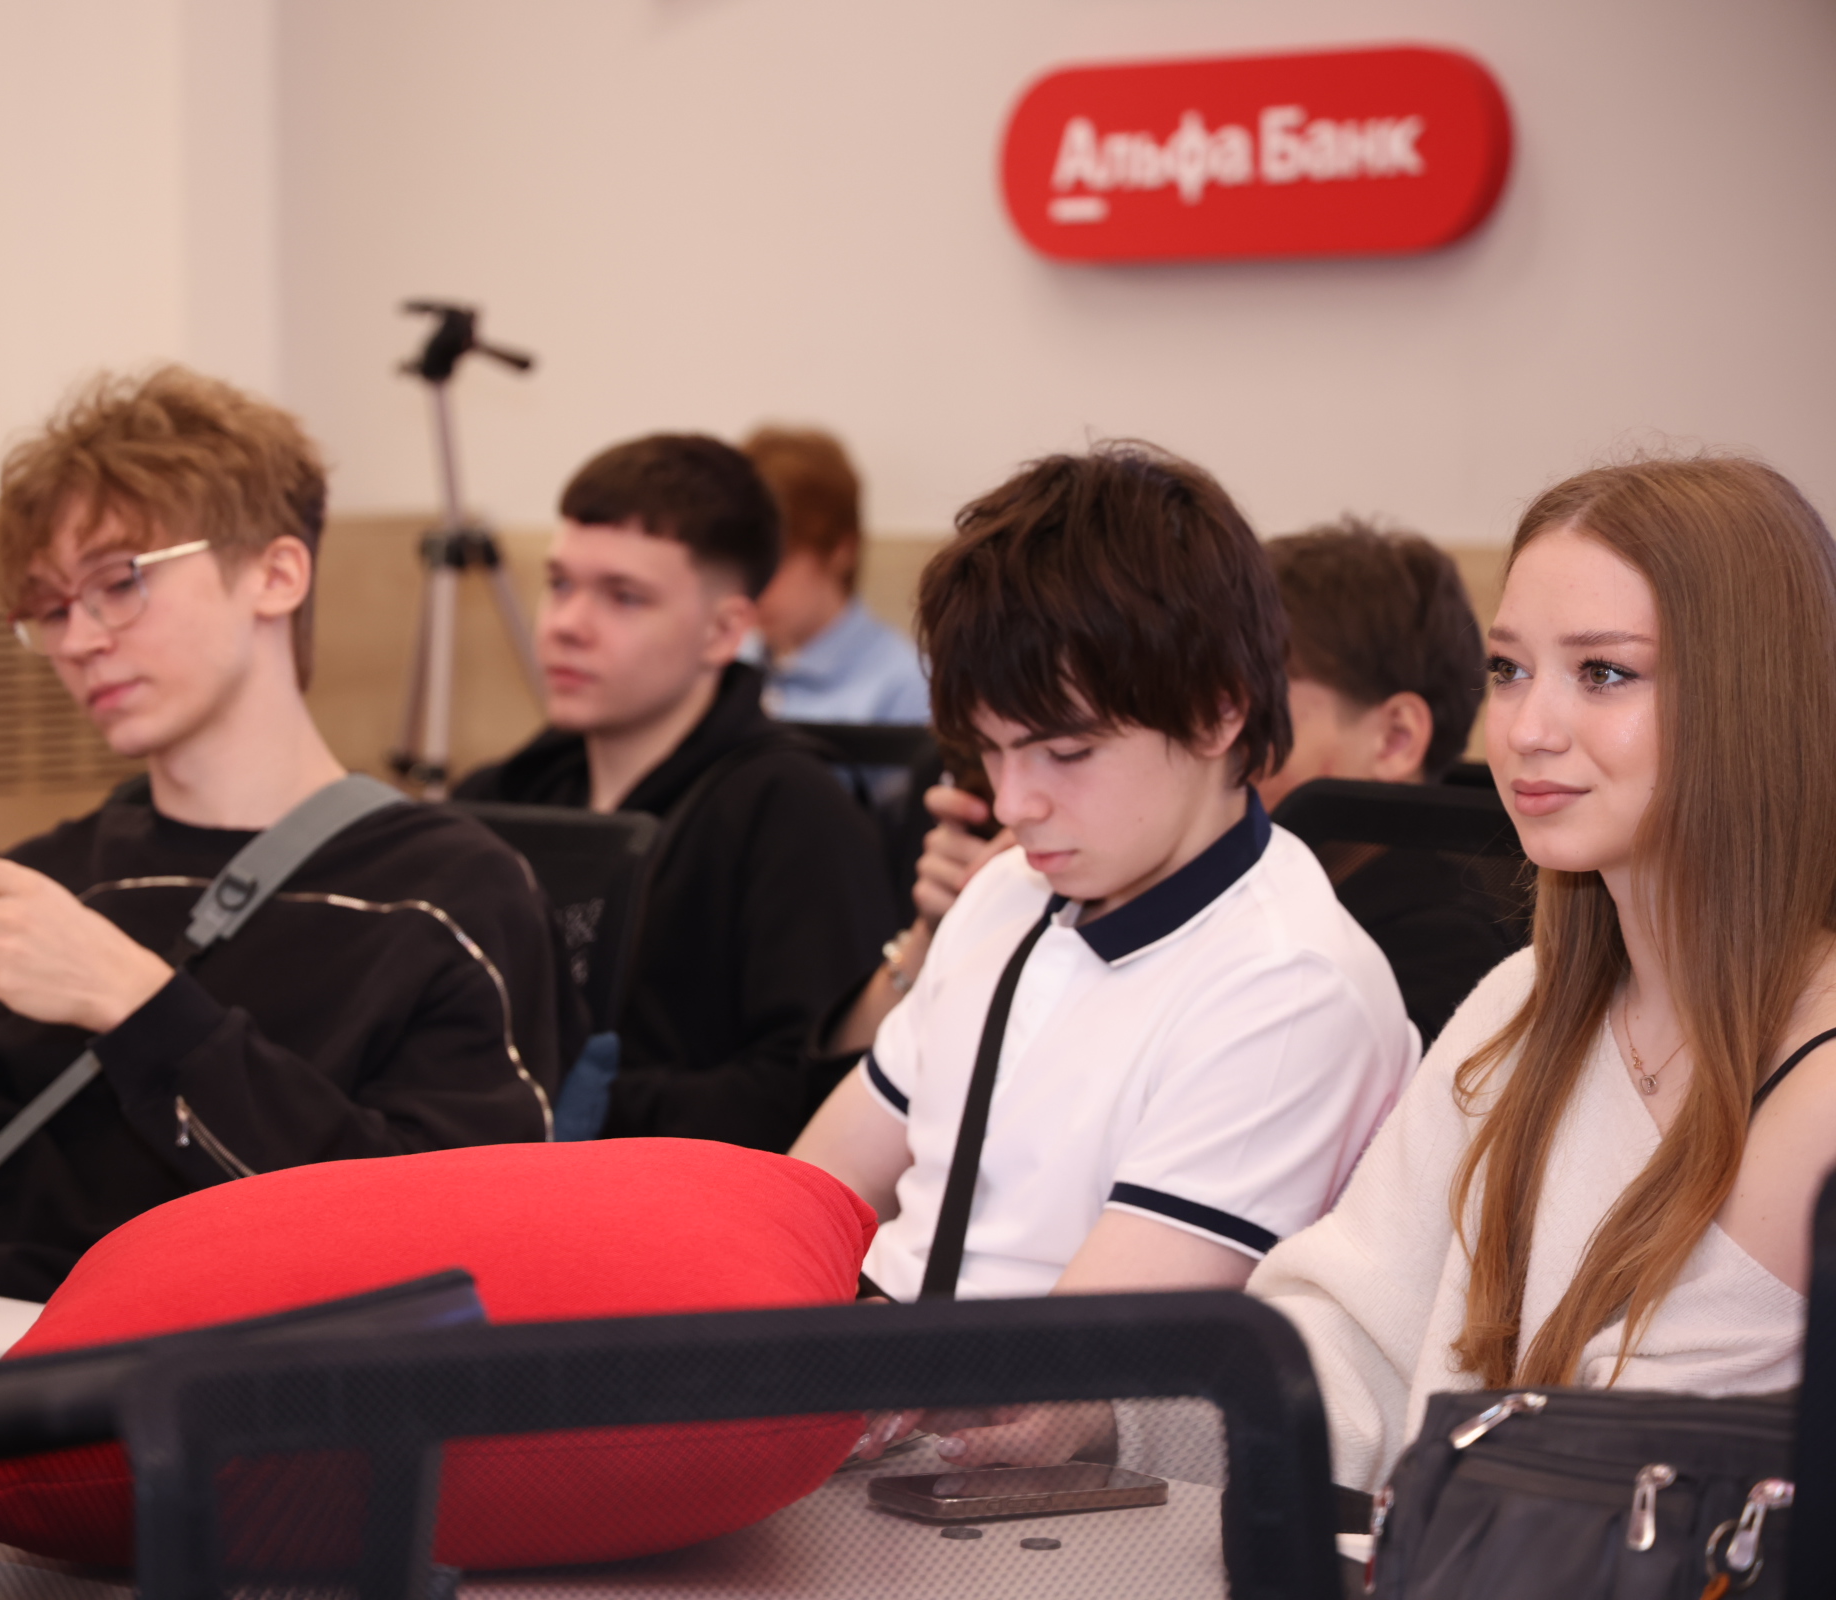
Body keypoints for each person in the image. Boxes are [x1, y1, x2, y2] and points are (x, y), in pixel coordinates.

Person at [0, 367, 569, 1301]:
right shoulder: (41, 889)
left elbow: (441, 1254)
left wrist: (137, 1004)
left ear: (276, 575)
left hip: (194, 1376)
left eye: (119, 583)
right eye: (52, 608)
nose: (78, 640)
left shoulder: (448, 896)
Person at [794, 443, 1414, 1468]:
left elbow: (1064, 1373)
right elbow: (813, 1194)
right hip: (886, 1424)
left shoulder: (1289, 984)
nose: (1013, 802)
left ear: (1219, 709)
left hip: (1066, 1485)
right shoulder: (1007, 893)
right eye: (990, 750)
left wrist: (812, 1377)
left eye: (1065, 751)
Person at [1253, 457, 1836, 1492]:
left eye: (1603, 673)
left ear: (1753, 699)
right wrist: (1108, 1413)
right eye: (1509, 669)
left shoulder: (1819, 1083)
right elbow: (1349, 1333)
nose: (1524, 729)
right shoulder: (1518, 1003)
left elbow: (1614, 1471)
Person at [454, 434, 891, 1151]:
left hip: (681, 1207)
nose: (566, 625)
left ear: (723, 631)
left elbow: (804, 1097)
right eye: (559, 584)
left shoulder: (794, 812)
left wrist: (576, 1106)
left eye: (623, 597)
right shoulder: (497, 798)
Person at [1256, 519, 1523, 1043]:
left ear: (1395, 739)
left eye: (1259, 708)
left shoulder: (1442, 956)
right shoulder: (1268, 896)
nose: (1214, 739)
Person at [741, 426, 929, 725]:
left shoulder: (906, 685)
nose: (752, 586)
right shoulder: (726, 665)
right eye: (743, 563)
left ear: (842, 550)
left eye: (775, 562)